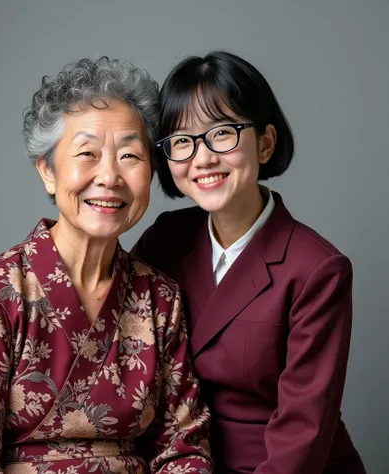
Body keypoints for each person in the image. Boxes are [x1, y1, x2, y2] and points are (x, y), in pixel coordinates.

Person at [0, 57, 212, 474]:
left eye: (130, 155)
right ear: (47, 170)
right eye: (87, 153)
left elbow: (185, 449)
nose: (110, 176)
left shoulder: (159, 298)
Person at [132, 51, 366, 473]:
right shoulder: (165, 240)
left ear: (265, 143)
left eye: (222, 133)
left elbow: (303, 433)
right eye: (182, 141)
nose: (202, 158)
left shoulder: (318, 269)